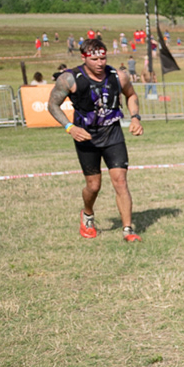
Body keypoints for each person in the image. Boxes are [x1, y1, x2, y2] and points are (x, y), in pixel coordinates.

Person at [48, 36, 144, 242]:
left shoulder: (118, 76)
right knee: (93, 186)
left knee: (121, 181)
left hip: (112, 133)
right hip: (86, 137)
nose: (100, 63)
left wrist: (135, 117)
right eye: (94, 59)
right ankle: (88, 214)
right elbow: (52, 105)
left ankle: (128, 230)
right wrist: (69, 127)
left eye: (103, 58)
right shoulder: (69, 79)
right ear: (84, 58)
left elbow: (131, 95)